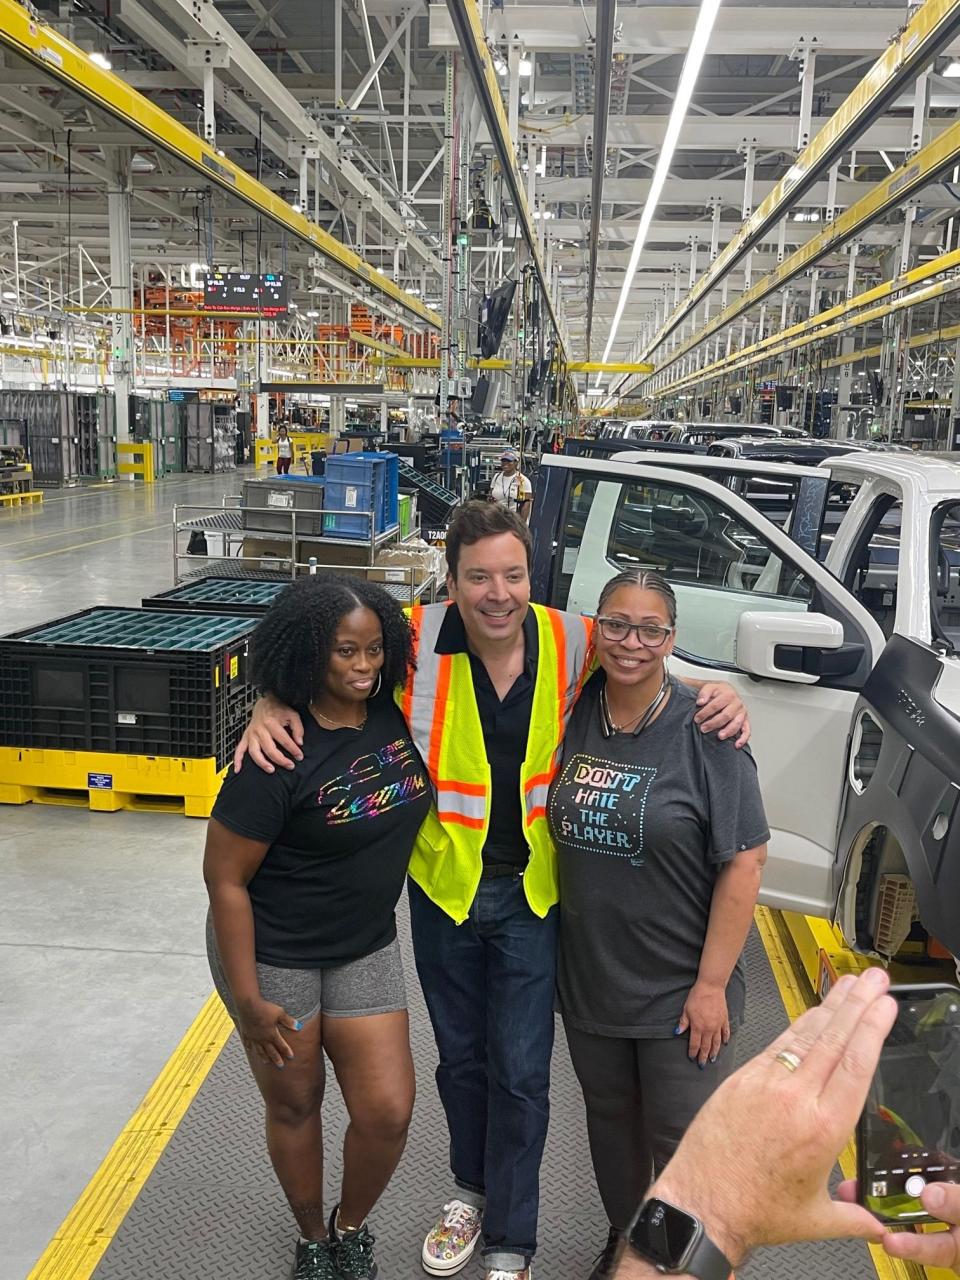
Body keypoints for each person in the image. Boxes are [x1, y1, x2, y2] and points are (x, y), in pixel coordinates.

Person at [235, 501, 749, 1280]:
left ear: (531, 576)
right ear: (453, 580)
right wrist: (267, 700)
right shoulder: (409, 639)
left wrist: (720, 693)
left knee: (521, 1067)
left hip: (534, 895)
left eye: (512, 574)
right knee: (461, 1062)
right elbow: (325, 657)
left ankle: (513, 1237)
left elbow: (645, 653)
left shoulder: (573, 637)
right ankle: (469, 1193)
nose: (497, 592)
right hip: (443, 889)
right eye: (479, 576)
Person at [204, 575, 432, 1280]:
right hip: (275, 954)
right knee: (297, 1101)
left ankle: (350, 1225)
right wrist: (247, 1003)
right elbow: (225, 880)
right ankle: (311, 1238)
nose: (363, 668)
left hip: (363, 943)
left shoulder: (397, 710)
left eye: (373, 651)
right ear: (309, 655)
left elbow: (493, 622)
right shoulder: (276, 753)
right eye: (344, 653)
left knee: (388, 1110)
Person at [548, 570, 769, 1278]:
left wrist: (710, 986)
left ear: (673, 639)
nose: (631, 642)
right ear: (595, 627)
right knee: (611, 1128)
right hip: (591, 981)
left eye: (650, 629)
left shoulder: (706, 727)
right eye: (616, 624)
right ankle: (631, 1244)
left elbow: (746, 861)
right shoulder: (570, 710)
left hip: (682, 990)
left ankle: (687, 1265)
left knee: (685, 1146)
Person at [489, 450, 533, 522]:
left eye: (509, 461)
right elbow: (491, 496)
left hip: (514, 520)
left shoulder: (523, 480)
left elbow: (526, 504)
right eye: (503, 461)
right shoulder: (496, 477)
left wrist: (521, 524)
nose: (505, 463)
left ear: (516, 463)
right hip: (497, 519)